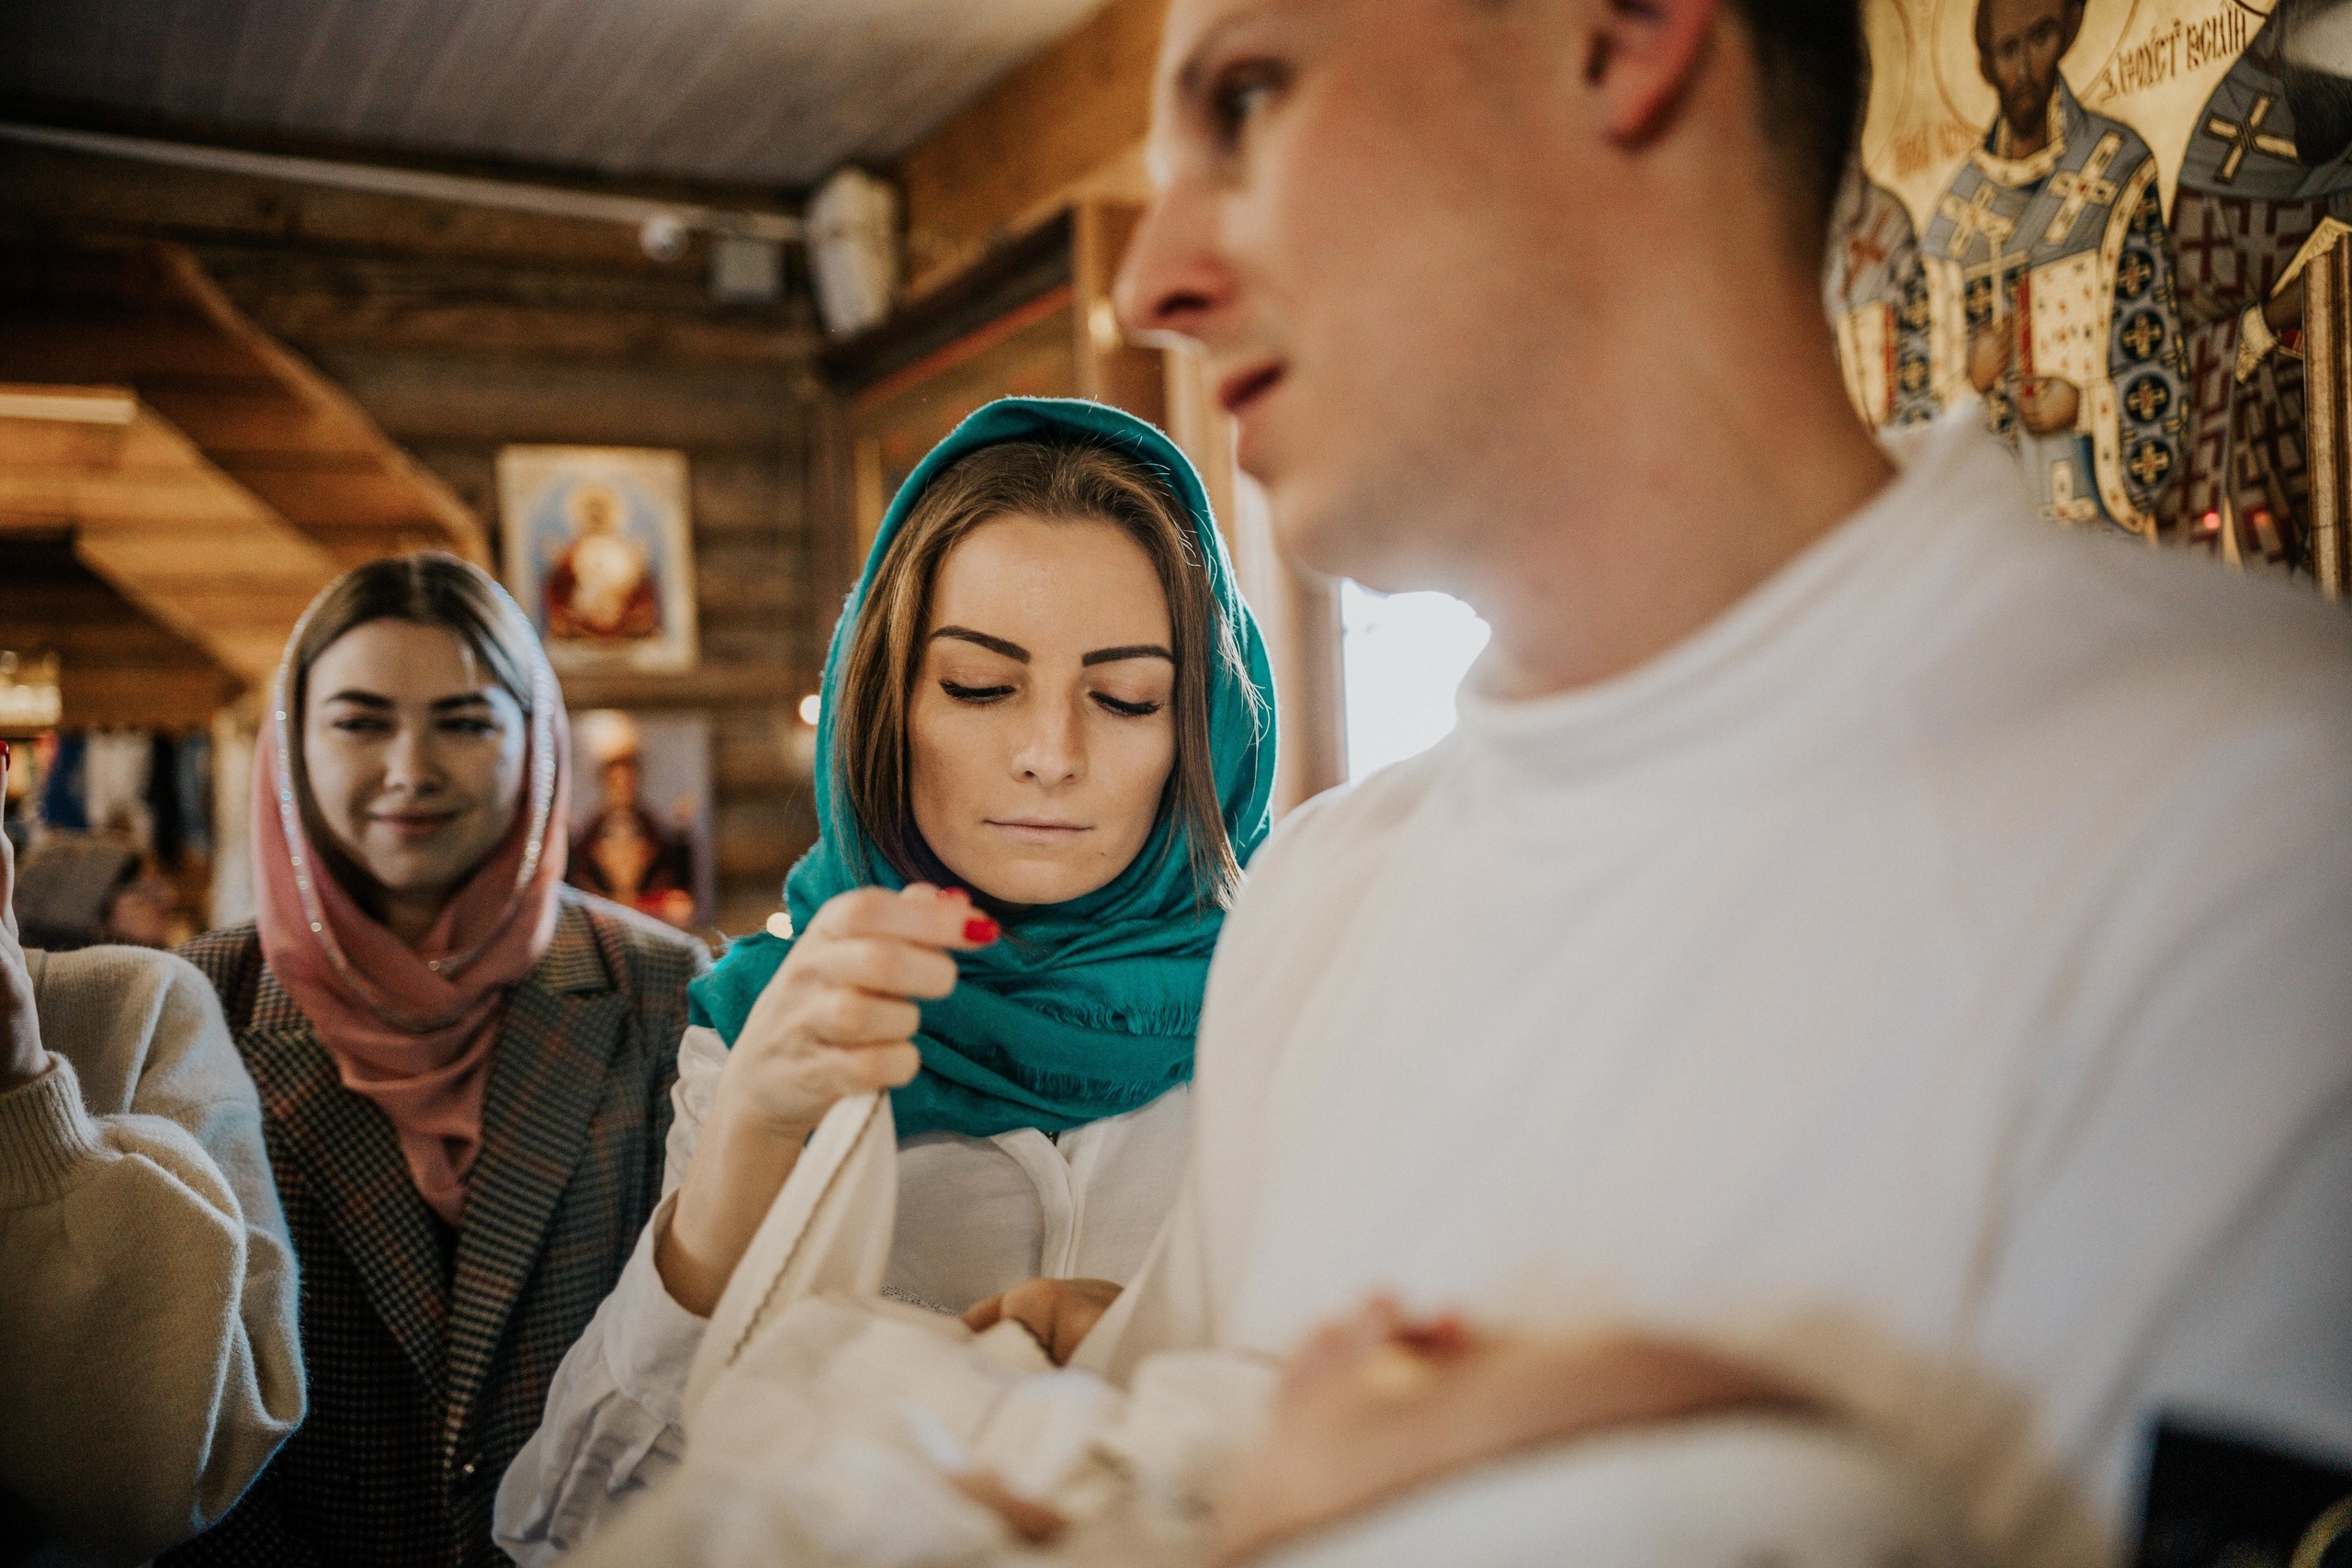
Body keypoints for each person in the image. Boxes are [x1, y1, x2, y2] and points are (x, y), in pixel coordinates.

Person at [976, 0, 2344, 1561]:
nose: (1154, 281)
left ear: (1621, 37)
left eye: (1249, 100)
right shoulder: (1314, 899)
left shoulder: (2266, 822)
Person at [493, 398, 1276, 1563]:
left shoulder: (1289, 999)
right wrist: (747, 1143)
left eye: (1126, 698)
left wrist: (1172, 1381)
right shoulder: (778, 1018)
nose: (1050, 753)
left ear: (1205, 731)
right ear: (883, 703)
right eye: (977, 686)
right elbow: (564, 1527)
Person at [163, 554, 709, 1568]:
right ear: (290, 745)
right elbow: (162, 1400)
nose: (410, 768)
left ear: (538, 744)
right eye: (361, 721)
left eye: (464, 722)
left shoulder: (664, 992)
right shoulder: (187, 1009)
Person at [0, 741, 303, 1566]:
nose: (161, 898)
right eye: (142, 890)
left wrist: (23, 1087)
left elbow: (197, 1453)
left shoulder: (139, 1008)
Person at [1921, 0, 2188, 538]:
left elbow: (2156, 355)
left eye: (2040, 38)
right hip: (2000, 539)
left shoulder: (2115, 171)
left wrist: (2086, 405)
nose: (2024, 71)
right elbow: (1915, 421)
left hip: (2098, 519)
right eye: (2007, 50)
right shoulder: (1954, 220)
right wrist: (1970, 383)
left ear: (2067, 34)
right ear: (1985, 65)